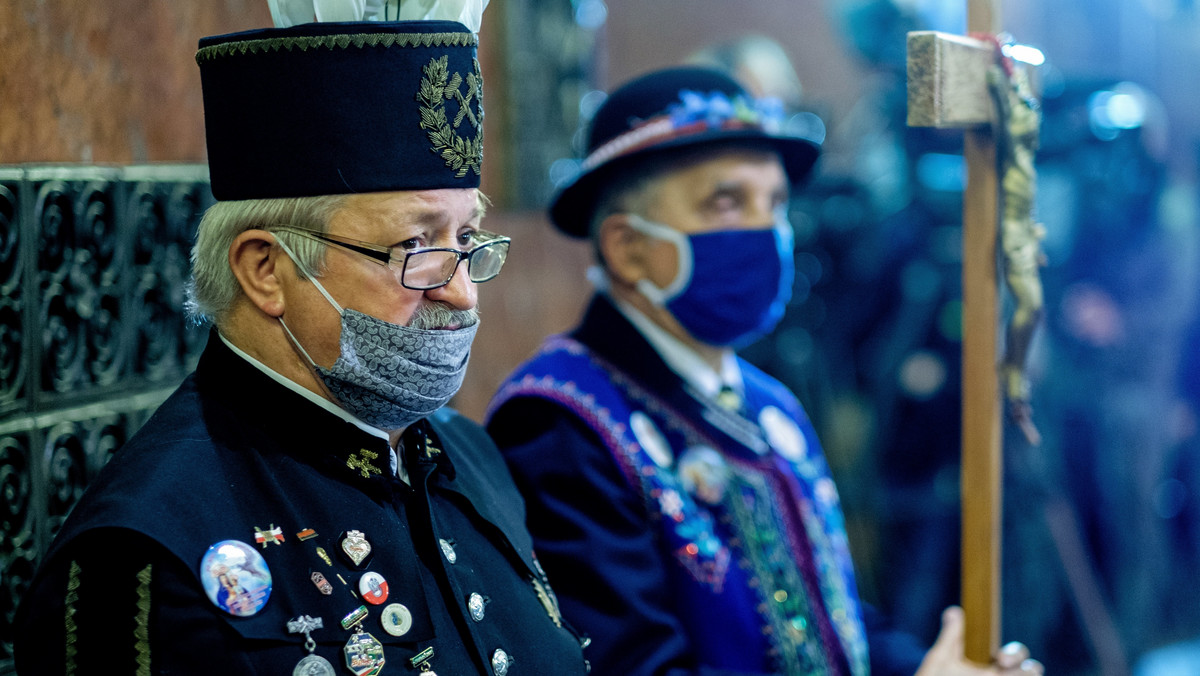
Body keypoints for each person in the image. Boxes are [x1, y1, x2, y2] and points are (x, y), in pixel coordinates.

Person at [13, 13, 589, 675]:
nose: (462, 292)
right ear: (267, 269)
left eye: (465, 241)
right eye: (414, 247)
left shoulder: (468, 454)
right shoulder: (145, 552)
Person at [486, 66, 1042, 676]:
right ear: (626, 246)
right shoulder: (564, 419)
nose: (766, 230)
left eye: (775, 204)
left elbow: (828, 618)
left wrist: (924, 668)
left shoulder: (768, 404)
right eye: (727, 202)